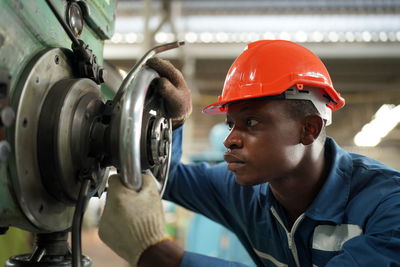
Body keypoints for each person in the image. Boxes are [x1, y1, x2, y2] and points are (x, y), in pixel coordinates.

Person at [99, 40, 400, 267]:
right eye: (231, 124)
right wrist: (172, 122)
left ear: (308, 129)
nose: (230, 140)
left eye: (251, 122)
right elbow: (170, 177)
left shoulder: (388, 204)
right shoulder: (244, 194)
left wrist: (164, 258)